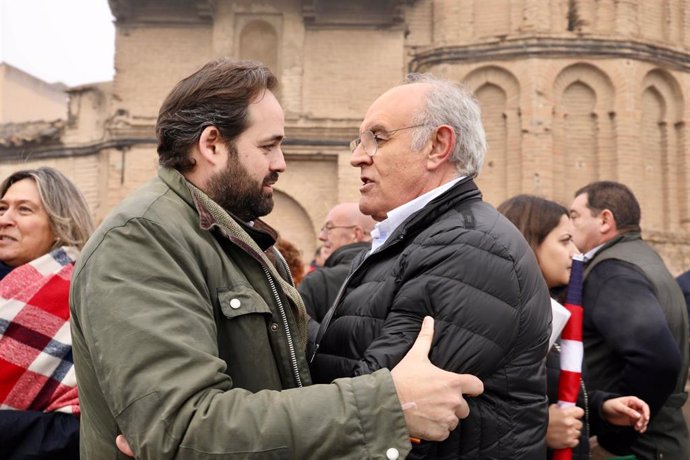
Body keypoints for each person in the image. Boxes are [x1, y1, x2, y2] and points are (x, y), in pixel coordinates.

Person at [70, 58, 484, 459]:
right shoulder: (142, 240)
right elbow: (181, 431)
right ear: (212, 144)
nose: (280, 163)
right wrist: (386, 405)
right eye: (268, 147)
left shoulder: (236, 240)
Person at [310, 73, 552, 458]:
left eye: (378, 137)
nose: (357, 156)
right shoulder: (418, 238)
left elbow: (382, 403)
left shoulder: (469, 248)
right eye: (360, 140)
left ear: (438, 146)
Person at [498, 194, 650, 459]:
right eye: (565, 241)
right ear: (529, 243)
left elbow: (555, 391)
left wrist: (601, 406)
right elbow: (465, 411)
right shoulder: (497, 317)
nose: (576, 253)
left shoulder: (550, 310)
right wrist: (539, 429)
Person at [569, 180, 689, 458]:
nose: (569, 225)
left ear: (604, 220)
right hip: (659, 439)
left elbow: (657, 360)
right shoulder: (643, 258)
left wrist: (613, 433)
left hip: (638, 446)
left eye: (575, 216)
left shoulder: (613, 272)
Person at [0, 167, 94, 460]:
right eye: (2, 208)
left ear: (59, 222)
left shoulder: (83, 293)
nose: (5, 220)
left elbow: (81, 426)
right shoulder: (7, 286)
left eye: (24, 210)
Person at [299, 202, 375, 323]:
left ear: (356, 234)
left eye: (329, 228)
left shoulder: (318, 281)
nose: (321, 236)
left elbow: (297, 334)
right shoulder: (393, 272)